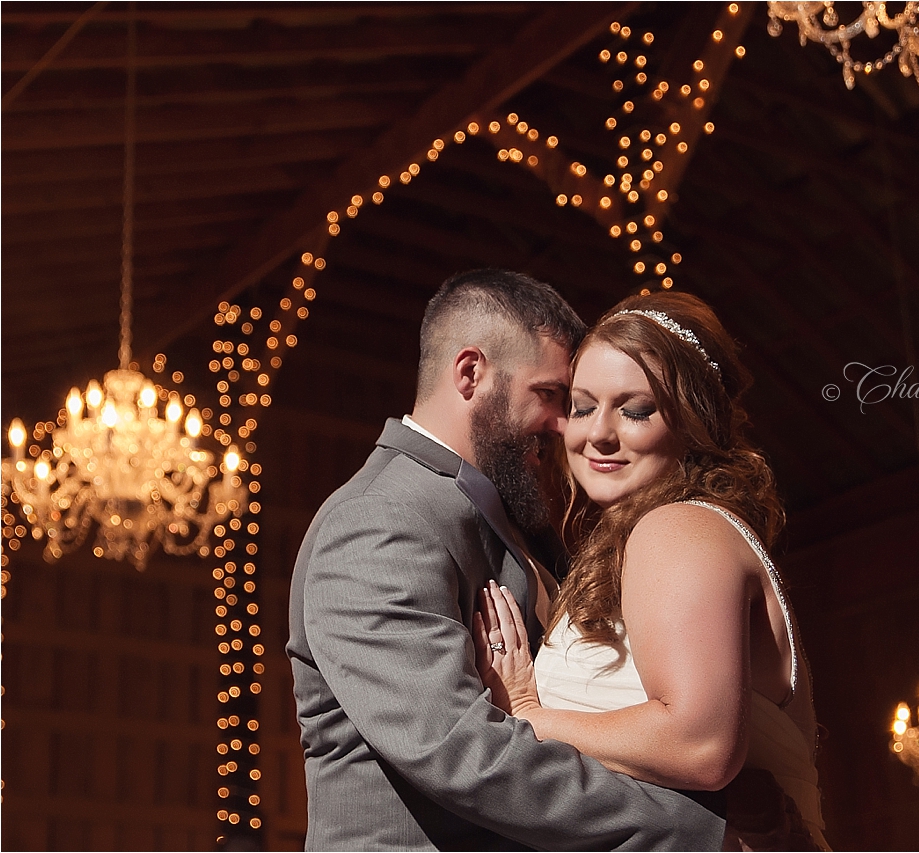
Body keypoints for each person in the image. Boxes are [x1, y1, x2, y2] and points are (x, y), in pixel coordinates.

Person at [286, 270, 726, 850]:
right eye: (550, 396)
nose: (565, 426)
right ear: (471, 373)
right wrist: (687, 830)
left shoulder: (515, 518)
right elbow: (460, 751)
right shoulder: (379, 521)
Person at [473, 291, 829, 850]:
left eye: (636, 410)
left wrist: (527, 716)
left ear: (693, 421)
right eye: (584, 406)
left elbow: (700, 744)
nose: (599, 434)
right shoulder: (666, 533)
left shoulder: (675, 530)